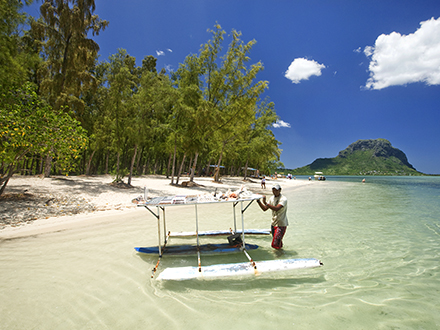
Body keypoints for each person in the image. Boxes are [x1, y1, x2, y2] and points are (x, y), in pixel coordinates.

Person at [256, 184, 288, 249]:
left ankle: (277, 256)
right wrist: (258, 201)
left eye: (276, 190)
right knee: (278, 243)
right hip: (273, 224)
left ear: (280, 190)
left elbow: (276, 208)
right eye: (273, 190)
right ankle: (281, 254)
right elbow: (265, 209)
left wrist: (265, 203)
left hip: (281, 224)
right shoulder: (272, 198)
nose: (274, 192)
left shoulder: (283, 199)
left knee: (274, 244)